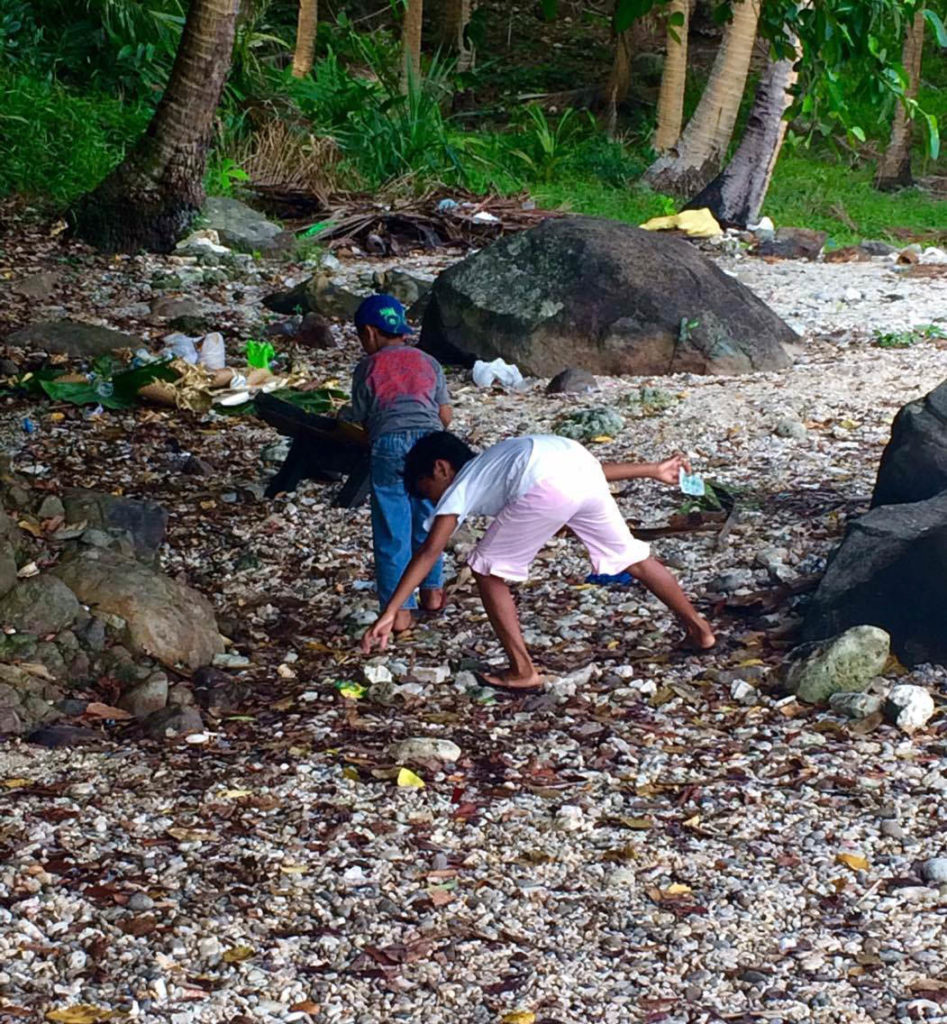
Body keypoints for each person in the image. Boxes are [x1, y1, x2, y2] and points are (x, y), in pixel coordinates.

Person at [360, 432, 716, 690]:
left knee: (486, 569)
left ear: (440, 468)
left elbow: (430, 550)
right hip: (582, 471)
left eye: (425, 490)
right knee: (633, 557)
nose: (432, 501)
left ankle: (522, 669)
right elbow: (589, 468)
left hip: (547, 485)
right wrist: (651, 469)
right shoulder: (498, 457)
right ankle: (700, 631)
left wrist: (391, 610)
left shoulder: (461, 483)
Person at [349, 294, 452, 632]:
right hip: (431, 445)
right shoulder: (427, 361)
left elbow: (362, 419)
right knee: (428, 520)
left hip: (390, 443)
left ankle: (401, 613)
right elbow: (445, 415)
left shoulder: (368, 367)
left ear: (369, 332)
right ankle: (432, 592)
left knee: (392, 527)